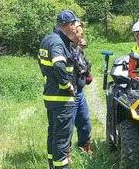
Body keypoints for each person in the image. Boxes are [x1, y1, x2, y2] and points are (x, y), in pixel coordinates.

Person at [38, 10, 79, 169]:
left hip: (51, 96)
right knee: (62, 138)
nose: (76, 28)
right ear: (68, 25)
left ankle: (52, 165)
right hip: (61, 98)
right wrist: (66, 85)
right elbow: (59, 65)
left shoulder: (47, 39)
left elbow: (42, 64)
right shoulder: (57, 42)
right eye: (74, 24)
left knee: (53, 135)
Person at [71, 22, 93, 154]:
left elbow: (83, 65)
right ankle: (65, 154)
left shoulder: (79, 50)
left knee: (85, 122)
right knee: (67, 126)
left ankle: (84, 148)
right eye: (80, 33)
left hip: (80, 92)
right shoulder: (67, 47)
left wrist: (88, 75)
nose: (82, 37)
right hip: (69, 93)